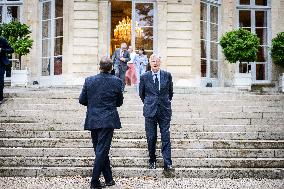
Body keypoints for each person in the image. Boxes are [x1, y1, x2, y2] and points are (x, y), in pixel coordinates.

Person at [79, 57, 124, 189]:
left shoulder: (89, 80)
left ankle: (109, 179)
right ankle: (94, 181)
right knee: (101, 150)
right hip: (108, 119)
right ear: (111, 68)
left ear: (99, 67)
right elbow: (119, 103)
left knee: (100, 150)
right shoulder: (117, 81)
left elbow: (82, 100)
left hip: (94, 118)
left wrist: (93, 104)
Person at [139, 54, 175, 177]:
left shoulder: (167, 75)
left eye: (157, 61)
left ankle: (168, 162)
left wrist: (163, 103)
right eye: (153, 61)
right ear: (149, 62)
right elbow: (142, 94)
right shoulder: (144, 77)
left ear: (160, 63)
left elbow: (170, 93)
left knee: (166, 136)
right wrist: (150, 103)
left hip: (164, 110)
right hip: (150, 111)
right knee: (151, 137)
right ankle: (152, 159)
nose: (155, 63)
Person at [0, 37, 14, 104]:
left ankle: (0, 98)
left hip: (1, 64)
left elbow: (11, 50)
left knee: (0, 81)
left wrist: (2, 50)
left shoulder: (2, 40)